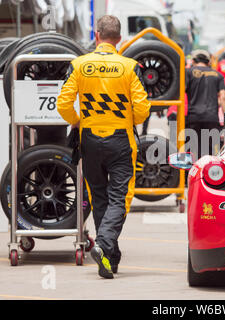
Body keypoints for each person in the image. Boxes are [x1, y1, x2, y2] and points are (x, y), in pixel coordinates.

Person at [57, 15, 151, 279]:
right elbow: (143, 111)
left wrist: (78, 122)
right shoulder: (130, 67)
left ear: (96, 36)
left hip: (89, 139)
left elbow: (63, 105)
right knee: (119, 198)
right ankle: (104, 245)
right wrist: (124, 119)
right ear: (119, 38)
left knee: (99, 197)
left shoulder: (79, 64)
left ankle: (109, 257)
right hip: (121, 139)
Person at [185, 49, 225, 160]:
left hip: (193, 117)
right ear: (208, 62)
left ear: (194, 61)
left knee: (191, 149)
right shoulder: (217, 75)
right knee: (211, 150)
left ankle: (191, 173)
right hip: (211, 118)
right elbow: (223, 97)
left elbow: (181, 93)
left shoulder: (188, 73)